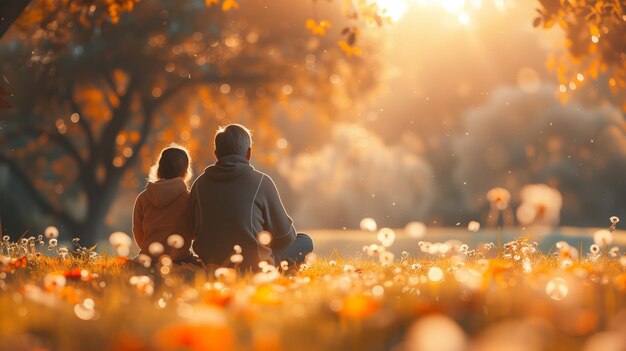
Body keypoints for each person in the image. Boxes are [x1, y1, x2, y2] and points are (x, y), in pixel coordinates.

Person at [190, 124, 313, 270]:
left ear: (216, 154)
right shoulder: (262, 182)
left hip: (211, 263)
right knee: (305, 241)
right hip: (256, 265)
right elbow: (286, 237)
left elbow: (192, 231)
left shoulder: (199, 184)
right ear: (249, 153)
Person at [133, 144, 195, 263]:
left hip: (148, 257)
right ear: (186, 172)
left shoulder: (143, 198)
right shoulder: (188, 199)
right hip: (180, 259)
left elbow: (138, 232)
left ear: (159, 169)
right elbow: (193, 233)